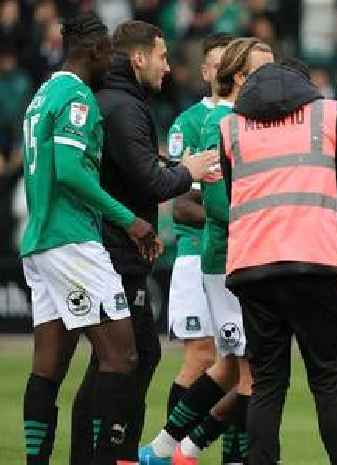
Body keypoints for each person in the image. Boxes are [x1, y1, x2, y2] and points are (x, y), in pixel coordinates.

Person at [70, 20, 219, 465]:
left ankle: (99, 455)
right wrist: (187, 170)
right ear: (138, 58)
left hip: (116, 246)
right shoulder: (124, 107)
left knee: (113, 359)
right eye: (162, 56)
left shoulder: (118, 102)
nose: (168, 67)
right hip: (114, 250)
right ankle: (111, 454)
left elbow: (137, 168)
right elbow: (150, 181)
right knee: (129, 357)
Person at [20, 13, 158, 465]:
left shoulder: (42, 95)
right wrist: (131, 219)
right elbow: (71, 171)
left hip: (40, 242)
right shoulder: (77, 96)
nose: (110, 66)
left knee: (49, 365)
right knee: (121, 357)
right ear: (96, 52)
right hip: (72, 240)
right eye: (108, 57)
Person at [219, 60, 337, 464]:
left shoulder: (231, 126)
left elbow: (236, 192)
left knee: (267, 382)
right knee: (328, 377)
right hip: (315, 262)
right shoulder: (327, 113)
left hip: (252, 265)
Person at [140, 38, 274, 465]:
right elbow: (194, 202)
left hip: (240, 257)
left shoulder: (252, 119)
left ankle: (175, 449)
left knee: (231, 365)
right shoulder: (210, 123)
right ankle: (218, 455)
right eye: (262, 71)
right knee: (237, 365)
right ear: (232, 74)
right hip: (217, 257)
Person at [163, 31, 234, 438]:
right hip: (196, 255)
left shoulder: (247, 120)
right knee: (202, 355)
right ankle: (171, 447)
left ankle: (231, 455)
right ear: (206, 70)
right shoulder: (189, 123)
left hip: (236, 257)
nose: (225, 70)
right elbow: (181, 204)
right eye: (219, 63)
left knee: (239, 358)